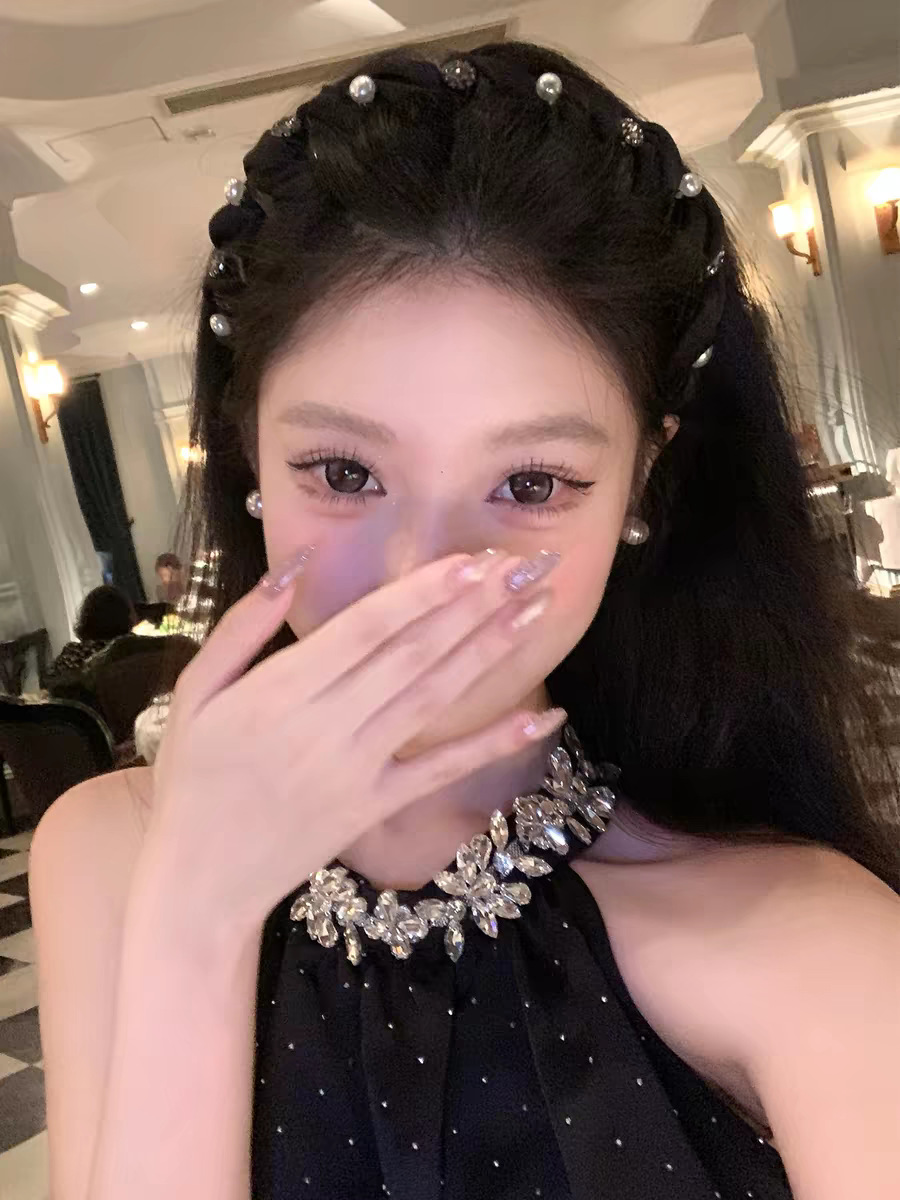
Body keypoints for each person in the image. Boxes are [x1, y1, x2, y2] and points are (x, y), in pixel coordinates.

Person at [28, 42, 900, 1200]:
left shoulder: (815, 947)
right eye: (344, 471)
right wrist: (196, 912)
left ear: (640, 486)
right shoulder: (111, 854)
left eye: (530, 484)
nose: (421, 576)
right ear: (248, 456)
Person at [44, 584, 136, 685]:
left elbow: (49, 683)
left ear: (87, 618)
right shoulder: (137, 649)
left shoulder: (75, 655)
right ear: (127, 616)